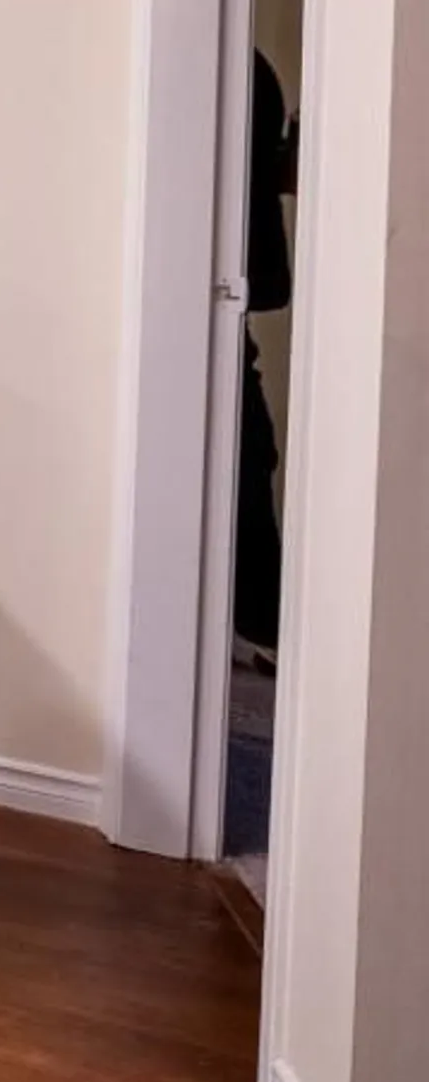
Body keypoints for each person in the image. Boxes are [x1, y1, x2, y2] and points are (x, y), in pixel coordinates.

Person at [235, 49, 296, 659]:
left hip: (231, 290)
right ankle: (262, 625)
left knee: (251, 452)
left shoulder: (245, 67)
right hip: (221, 292)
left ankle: (259, 623)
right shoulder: (241, 66)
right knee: (249, 454)